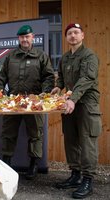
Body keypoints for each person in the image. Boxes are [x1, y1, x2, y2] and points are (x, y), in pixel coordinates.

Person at [0, 25, 55, 180]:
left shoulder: (41, 55)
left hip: (33, 102)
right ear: (18, 38)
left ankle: (34, 164)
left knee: (35, 134)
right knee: (8, 132)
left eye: (27, 36)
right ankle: (6, 162)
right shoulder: (11, 56)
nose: (24, 39)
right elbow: (0, 78)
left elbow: (48, 77)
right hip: (13, 101)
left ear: (32, 37)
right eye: (22, 37)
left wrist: (43, 94)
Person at [51, 23, 102, 199]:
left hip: (86, 104)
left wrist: (72, 98)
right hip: (70, 104)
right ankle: (75, 174)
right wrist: (58, 88)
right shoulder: (65, 57)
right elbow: (62, 78)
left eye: (76, 33)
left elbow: (87, 78)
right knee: (71, 139)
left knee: (87, 141)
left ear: (82, 36)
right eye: (69, 33)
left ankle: (87, 179)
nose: (73, 36)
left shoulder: (89, 56)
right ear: (66, 38)